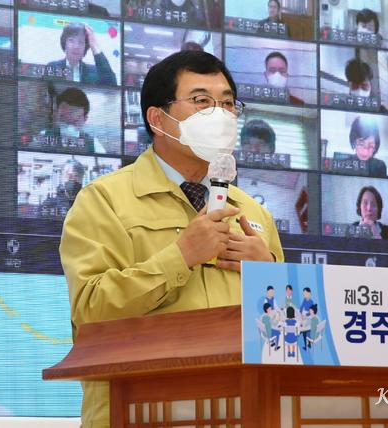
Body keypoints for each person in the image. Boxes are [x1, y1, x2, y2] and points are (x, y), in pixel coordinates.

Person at [59, 50, 284, 428]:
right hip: (137, 413)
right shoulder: (104, 200)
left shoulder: (254, 214)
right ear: (157, 118)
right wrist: (180, 257)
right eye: (201, 102)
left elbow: (288, 335)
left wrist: (271, 277)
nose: (220, 115)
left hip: (241, 412)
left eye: (228, 103)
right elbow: (90, 315)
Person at [46, 22, 117, 85]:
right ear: (64, 43)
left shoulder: (93, 71)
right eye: (71, 40)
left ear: (85, 47)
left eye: (81, 42)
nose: (76, 46)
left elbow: (112, 84)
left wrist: (94, 46)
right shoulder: (52, 67)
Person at [37, 87, 96, 153]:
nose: (68, 127)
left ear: (85, 120)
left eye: (74, 122)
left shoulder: (93, 144)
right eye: (63, 120)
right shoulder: (43, 136)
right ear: (56, 115)